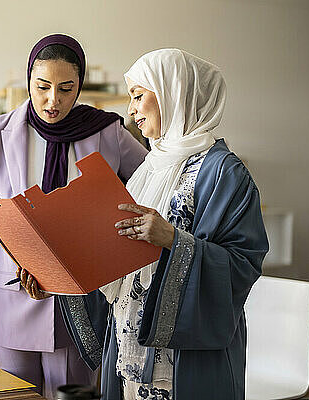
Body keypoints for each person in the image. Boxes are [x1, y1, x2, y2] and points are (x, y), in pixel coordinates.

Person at [0, 34, 148, 399]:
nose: (53, 100)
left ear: (80, 86)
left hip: (81, 306)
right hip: (13, 300)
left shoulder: (107, 132)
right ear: (29, 81)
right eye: (42, 86)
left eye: (66, 88)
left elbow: (155, 187)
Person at [53, 48, 269, 399]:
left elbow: (243, 263)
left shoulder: (224, 171)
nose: (131, 109)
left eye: (138, 96)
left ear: (173, 92)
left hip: (186, 357)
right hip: (129, 338)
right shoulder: (149, 168)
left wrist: (173, 238)